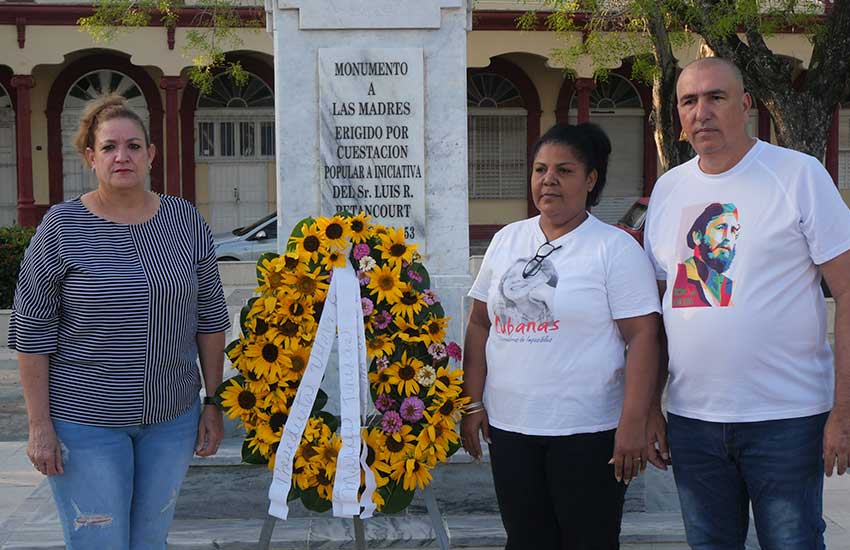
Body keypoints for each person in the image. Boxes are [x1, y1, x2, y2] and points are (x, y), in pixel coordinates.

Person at [644, 57, 850, 550]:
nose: (702, 112)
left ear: (746, 104)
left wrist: (843, 411)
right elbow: (655, 311)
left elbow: (846, 289)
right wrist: (650, 405)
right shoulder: (669, 189)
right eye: (688, 101)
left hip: (786, 418)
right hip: (695, 422)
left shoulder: (798, 175)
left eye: (716, 97)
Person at [8, 94, 230, 549]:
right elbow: (31, 332)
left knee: (150, 542)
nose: (121, 156)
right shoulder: (60, 227)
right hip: (85, 421)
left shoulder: (185, 221)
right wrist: (38, 426)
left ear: (150, 154)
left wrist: (213, 401)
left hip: (171, 419)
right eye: (109, 147)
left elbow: (210, 317)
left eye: (133, 146)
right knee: (100, 543)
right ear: (91, 157)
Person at [462, 122, 661, 549]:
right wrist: (472, 402)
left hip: (588, 433)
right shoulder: (506, 240)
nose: (548, 179)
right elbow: (480, 324)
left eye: (564, 170)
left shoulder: (615, 248)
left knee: (589, 540)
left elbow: (643, 336)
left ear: (590, 180)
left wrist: (633, 421)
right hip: (511, 429)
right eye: (539, 169)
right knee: (526, 540)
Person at [672, 202, 740, 308]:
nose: (728, 237)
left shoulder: (728, 285)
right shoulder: (679, 277)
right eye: (721, 227)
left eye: (733, 230)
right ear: (697, 236)